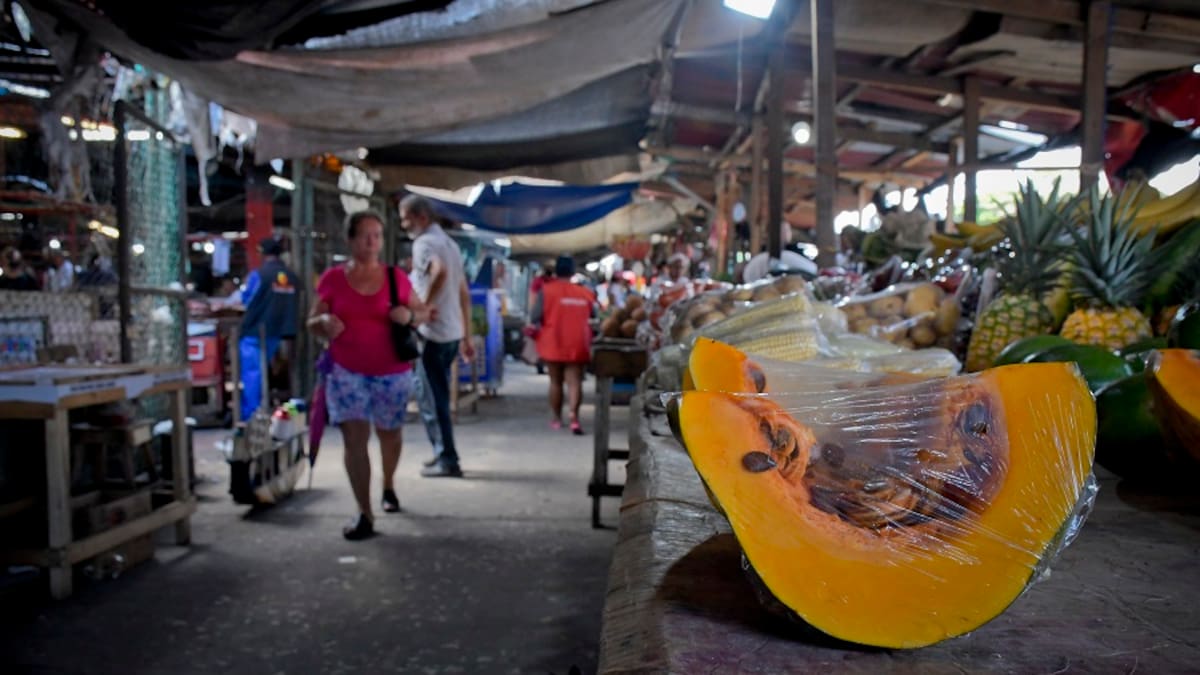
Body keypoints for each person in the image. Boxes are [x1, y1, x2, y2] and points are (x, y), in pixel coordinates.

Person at [307, 211, 434, 540]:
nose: (372, 242)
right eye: (365, 235)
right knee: (354, 438)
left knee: (390, 434)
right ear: (350, 239)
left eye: (377, 235)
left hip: (391, 372)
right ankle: (364, 511)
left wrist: (409, 316)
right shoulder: (333, 279)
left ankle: (388, 485)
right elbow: (311, 321)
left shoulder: (395, 278)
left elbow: (423, 312)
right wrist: (322, 324)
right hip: (346, 371)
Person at [399, 194, 475, 479]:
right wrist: (466, 336)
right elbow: (463, 293)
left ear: (421, 217)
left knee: (433, 399)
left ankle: (447, 459)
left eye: (406, 218)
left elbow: (439, 272)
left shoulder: (425, 244)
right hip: (452, 332)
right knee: (434, 395)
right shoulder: (451, 245)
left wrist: (423, 307)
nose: (403, 224)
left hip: (433, 333)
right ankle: (441, 451)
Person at [238, 237, 302, 422]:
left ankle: (253, 416)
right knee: (265, 372)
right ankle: (282, 412)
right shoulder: (292, 277)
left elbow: (246, 300)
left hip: (255, 332)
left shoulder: (259, 275)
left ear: (263, 254)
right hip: (279, 332)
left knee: (252, 374)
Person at [532, 255, 596, 435]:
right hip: (578, 342)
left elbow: (534, 316)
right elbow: (594, 316)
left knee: (555, 382)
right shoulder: (585, 292)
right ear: (573, 272)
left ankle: (556, 418)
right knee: (574, 382)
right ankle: (574, 418)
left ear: (556, 271)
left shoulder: (546, 291)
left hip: (553, 341)